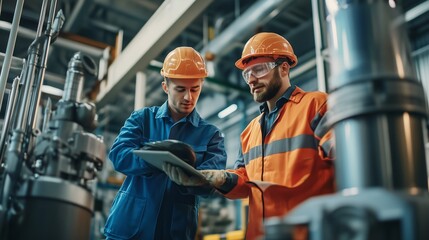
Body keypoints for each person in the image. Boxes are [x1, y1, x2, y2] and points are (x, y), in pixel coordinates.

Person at [164, 32, 335, 239]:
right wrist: (217, 177)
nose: (251, 79)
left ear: (284, 68)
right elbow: (244, 182)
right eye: (247, 74)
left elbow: (349, 160)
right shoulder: (250, 131)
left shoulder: (316, 106)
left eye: (259, 70)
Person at [104, 46, 227, 240]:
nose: (188, 97)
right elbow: (118, 155)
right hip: (128, 227)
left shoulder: (211, 136)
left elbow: (214, 183)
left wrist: (193, 180)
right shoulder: (142, 119)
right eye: (180, 89)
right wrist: (154, 160)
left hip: (174, 231)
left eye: (195, 89)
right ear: (165, 87)